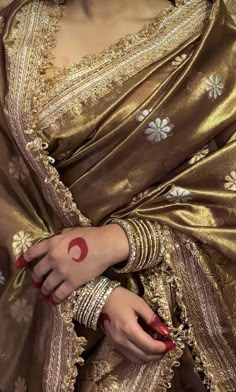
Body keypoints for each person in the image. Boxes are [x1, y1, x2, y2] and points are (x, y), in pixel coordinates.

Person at [0, 0, 236, 390]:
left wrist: (123, 240)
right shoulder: (12, 31)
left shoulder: (213, 44)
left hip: (164, 335)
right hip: (34, 321)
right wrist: (90, 295)